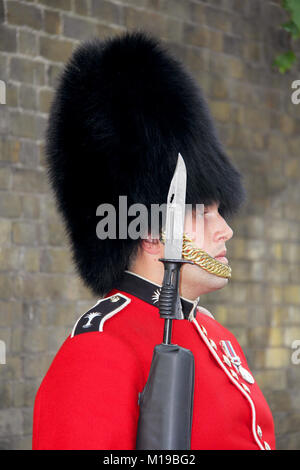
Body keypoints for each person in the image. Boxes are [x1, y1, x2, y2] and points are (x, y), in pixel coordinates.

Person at [32, 30, 276, 450]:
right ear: (149, 232)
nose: (226, 230)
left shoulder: (214, 334)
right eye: (202, 213)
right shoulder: (100, 348)